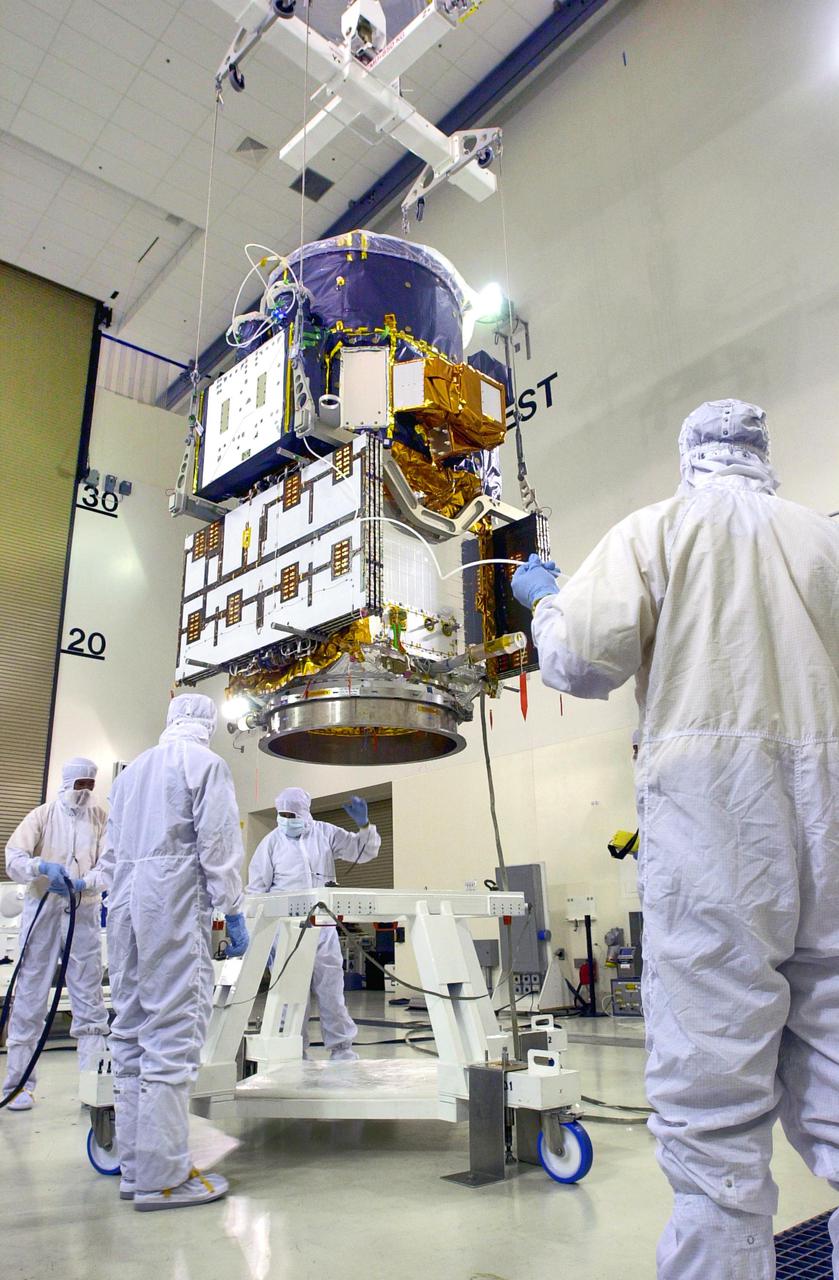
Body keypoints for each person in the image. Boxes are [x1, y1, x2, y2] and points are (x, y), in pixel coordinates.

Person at [511, 400, 839, 1279]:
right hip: (833, 816)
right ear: (761, 455)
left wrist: (547, 603)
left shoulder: (657, 529)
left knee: (712, 1108)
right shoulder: (822, 540)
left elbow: (582, 660)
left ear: (691, 455)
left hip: (715, 820)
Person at [101, 693, 249, 1212]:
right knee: (172, 1034)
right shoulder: (205, 764)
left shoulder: (130, 773)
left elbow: (111, 853)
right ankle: (164, 1180)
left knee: (131, 1033)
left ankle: (136, 1168)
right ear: (207, 724)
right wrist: (232, 907)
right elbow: (217, 844)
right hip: (172, 899)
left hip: (123, 903)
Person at [2, 757, 109, 1111]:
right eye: (80, 785)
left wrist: (85, 882)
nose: (85, 792)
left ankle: (93, 1085)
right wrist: (39, 868)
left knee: (89, 999)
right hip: (43, 909)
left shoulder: (100, 817)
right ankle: (18, 1085)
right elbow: (14, 856)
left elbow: (111, 863)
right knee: (31, 993)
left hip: (83, 910)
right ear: (66, 783)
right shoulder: (42, 815)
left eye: (90, 785)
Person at [248, 787, 380, 1062]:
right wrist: (260, 933)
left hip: (322, 926)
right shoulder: (271, 843)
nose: (286, 819)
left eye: (291, 814)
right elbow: (256, 890)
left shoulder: (324, 833)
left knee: (331, 989)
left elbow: (362, 851)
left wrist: (364, 825)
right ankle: (293, 1051)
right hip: (286, 930)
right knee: (290, 993)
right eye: (281, 814)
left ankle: (342, 1049)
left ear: (305, 812)